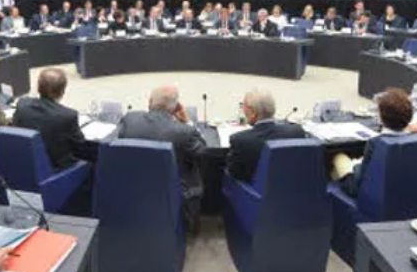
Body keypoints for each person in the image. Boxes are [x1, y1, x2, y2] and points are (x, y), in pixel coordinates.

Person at [118, 85, 206, 228]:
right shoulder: (185, 131)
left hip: (135, 190)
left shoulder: (130, 120)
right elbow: (202, 151)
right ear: (176, 107)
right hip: (175, 195)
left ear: (150, 102)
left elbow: (118, 139)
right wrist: (188, 123)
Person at [332, 89, 413, 197]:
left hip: (365, 192)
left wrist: (356, 167)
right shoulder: (416, 139)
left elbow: (359, 181)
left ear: (381, 117)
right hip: (400, 192)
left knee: (338, 157)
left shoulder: (375, 144)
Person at [12, 68, 89, 171]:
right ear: (62, 91)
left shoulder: (22, 104)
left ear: (38, 87)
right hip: (54, 171)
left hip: (22, 165)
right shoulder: (67, 116)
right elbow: (80, 146)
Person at [226, 91, 306, 183]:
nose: (243, 110)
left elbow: (234, 172)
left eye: (244, 106)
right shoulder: (297, 131)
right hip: (292, 186)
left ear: (252, 113)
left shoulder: (240, 140)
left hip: (254, 190)